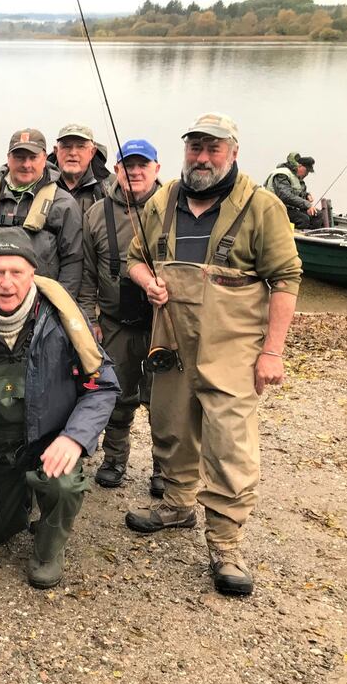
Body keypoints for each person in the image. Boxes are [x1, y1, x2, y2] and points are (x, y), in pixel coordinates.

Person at [124, 113, 302, 597]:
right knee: (171, 426)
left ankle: (225, 544)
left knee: (229, 445)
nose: (202, 158)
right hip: (172, 343)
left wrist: (272, 352)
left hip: (233, 351)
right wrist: (147, 281)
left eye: (213, 149)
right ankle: (177, 505)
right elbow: (135, 258)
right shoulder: (163, 200)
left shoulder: (262, 206)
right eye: (195, 147)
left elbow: (286, 278)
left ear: (233, 153)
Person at [0, 229, 119, 588]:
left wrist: (74, 438)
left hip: (49, 447)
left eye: (17, 272)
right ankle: (19, 499)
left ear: (33, 274)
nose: (7, 283)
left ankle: (49, 547)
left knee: (63, 486)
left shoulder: (63, 319)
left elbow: (101, 385)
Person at [80, 139, 164, 495]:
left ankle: (164, 468)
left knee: (163, 402)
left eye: (143, 164)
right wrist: (90, 319)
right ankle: (114, 459)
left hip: (163, 324)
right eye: (128, 165)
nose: (135, 171)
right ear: (116, 170)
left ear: (157, 169)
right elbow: (86, 274)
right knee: (117, 396)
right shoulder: (96, 213)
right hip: (114, 323)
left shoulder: (172, 208)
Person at [0, 128, 84, 298]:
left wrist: (59, 304)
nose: (26, 165)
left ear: (45, 158)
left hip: (42, 302)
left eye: (33, 158)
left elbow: (73, 261)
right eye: (19, 157)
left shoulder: (64, 204)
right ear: (8, 158)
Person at [53, 123, 107, 216]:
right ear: (56, 151)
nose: (73, 153)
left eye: (80, 146)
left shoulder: (109, 187)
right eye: (66, 146)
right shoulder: (40, 184)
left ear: (92, 152)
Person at [266, 152, 319, 229]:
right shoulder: (282, 174)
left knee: (317, 216)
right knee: (303, 219)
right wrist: (307, 204)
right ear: (300, 166)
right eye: (306, 171)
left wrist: (306, 195)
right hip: (276, 209)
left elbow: (297, 193)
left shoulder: (296, 177)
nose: (307, 174)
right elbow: (285, 196)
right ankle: (292, 235)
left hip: (291, 209)